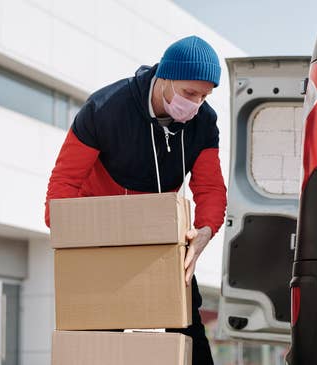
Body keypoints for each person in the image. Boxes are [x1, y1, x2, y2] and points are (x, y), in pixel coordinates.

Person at [44, 35, 227, 365]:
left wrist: (205, 231)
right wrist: (69, 239)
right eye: (189, 93)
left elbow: (211, 189)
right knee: (96, 342)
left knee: (189, 330)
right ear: (165, 77)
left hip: (158, 237)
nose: (197, 103)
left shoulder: (204, 123)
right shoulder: (105, 109)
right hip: (99, 237)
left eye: (204, 96)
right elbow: (64, 183)